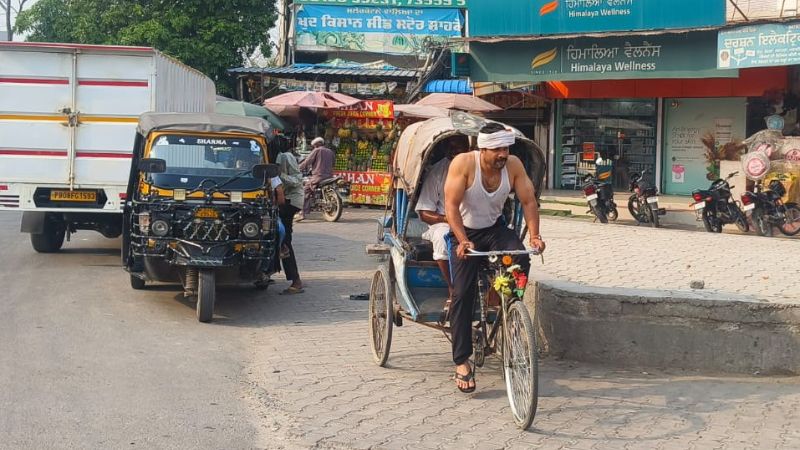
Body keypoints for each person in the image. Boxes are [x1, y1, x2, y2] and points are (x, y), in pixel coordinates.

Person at [443, 122, 547, 394]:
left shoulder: (512, 166)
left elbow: (528, 201)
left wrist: (535, 236)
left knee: (521, 258)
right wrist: (462, 238)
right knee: (462, 294)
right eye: (498, 149)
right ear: (484, 148)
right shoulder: (463, 164)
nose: (504, 154)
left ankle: (508, 308)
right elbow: (451, 206)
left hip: (494, 229)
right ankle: (462, 361)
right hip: (463, 233)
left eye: (506, 148)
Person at [414, 136, 469, 321]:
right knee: (443, 236)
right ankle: (452, 288)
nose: (456, 151)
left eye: (460, 146)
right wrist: (449, 218)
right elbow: (424, 212)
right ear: (446, 149)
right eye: (452, 147)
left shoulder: (478, 168)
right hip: (443, 223)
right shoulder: (438, 172)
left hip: (473, 221)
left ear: (468, 147)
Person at [275, 144, 305, 294]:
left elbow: (296, 179)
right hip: (288, 200)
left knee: (284, 239)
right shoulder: (281, 156)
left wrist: (278, 175)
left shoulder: (285, 156)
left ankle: (296, 280)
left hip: (290, 201)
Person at [297, 137, 334, 222]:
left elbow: (307, 162)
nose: (314, 147)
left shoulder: (317, 150)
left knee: (306, 190)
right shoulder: (330, 151)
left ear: (316, 145)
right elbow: (333, 163)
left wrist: (298, 169)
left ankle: (302, 213)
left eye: (314, 146)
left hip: (318, 176)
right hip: (329, 176)